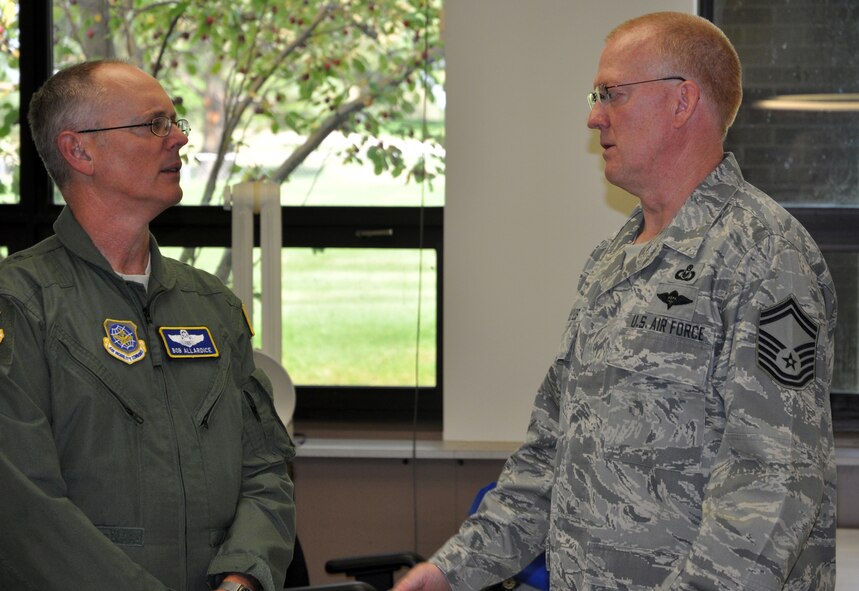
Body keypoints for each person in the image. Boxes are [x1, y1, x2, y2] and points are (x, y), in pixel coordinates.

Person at [394, 11, 837, 591]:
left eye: (613, 94)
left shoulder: (765, 255)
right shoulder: (614, 260)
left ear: (681, 102)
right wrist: (453, 570)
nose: (593, 115)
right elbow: (551, 454)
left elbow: (770, 488)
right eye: (596, 95)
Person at [0, 60, 295, 591]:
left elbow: (267, 467)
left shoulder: (211, 306)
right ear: (80, 150)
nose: (179, 139)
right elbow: (21, 505)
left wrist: (244, 575)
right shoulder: (21, 303)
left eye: (176, 123)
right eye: (153, 124)